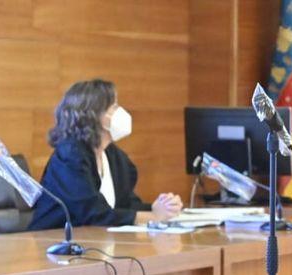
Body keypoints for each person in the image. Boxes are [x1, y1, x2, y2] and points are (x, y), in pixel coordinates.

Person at [29, 79, 182, 230]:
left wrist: (163, 208)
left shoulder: (113, 155)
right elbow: (92, 213)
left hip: (96, 242)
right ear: (93, 114)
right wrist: (153, 216)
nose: (121, 112)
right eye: (114, 106)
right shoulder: (70, 155)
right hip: (54, 242)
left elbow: (125, 205)